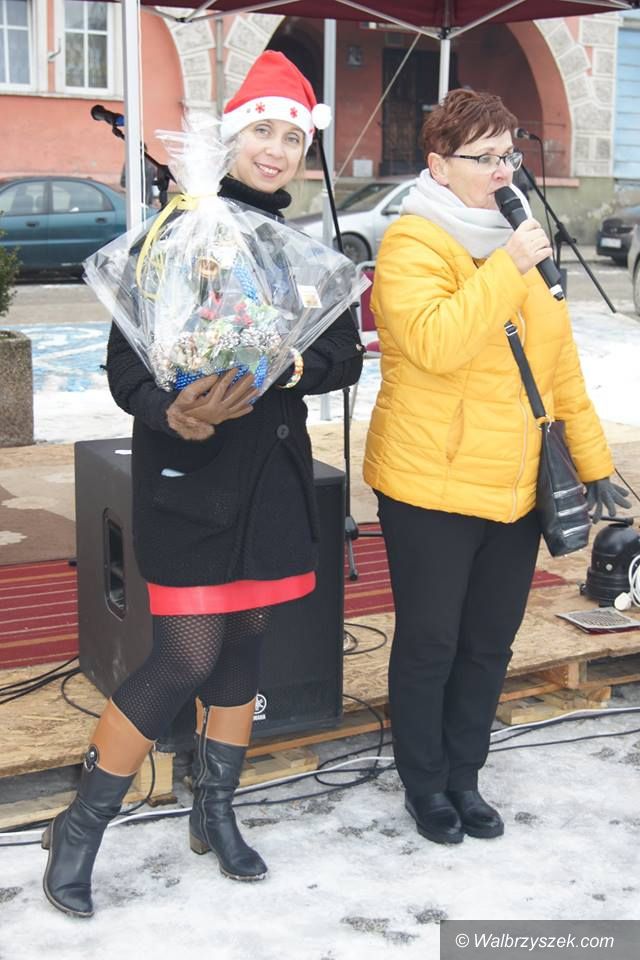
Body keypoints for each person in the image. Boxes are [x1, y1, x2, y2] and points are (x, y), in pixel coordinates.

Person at [42, 51, 363, 918]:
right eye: (264, 131)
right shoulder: (174, 237)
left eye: (292, 138)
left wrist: (289, 361)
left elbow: (343, 356)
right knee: (183, 655)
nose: (276, 150)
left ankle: (214, 810)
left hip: (270, 487)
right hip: (189, 483)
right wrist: (171, 412)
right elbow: (125, 371)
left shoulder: (301, 255)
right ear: (230, 138)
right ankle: (81, 826)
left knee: (246, 646)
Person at [363, 88, 628, 846]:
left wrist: (593, 461)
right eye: (484, 158)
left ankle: (464, 775)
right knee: (430, 644)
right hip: (431, 486)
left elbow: (559, 368)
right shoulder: (412, 244)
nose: (503, 171)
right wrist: (508, 266)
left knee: (488, 644)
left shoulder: (521, 245)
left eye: (509, 154)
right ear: (439, 164)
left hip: (516, 488)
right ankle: (424, 783)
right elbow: (436, 344)